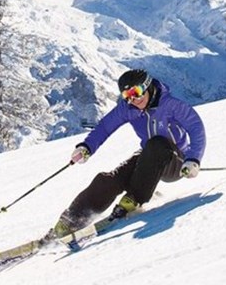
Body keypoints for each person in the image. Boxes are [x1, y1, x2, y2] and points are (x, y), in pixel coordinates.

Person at [47, 69, 206, 239]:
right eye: (127, 95)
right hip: (149, 158)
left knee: (157, 144)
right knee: (111, 178)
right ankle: (71, 220)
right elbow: (105, 127)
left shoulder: (171, 105)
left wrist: (193, 159)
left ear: (147, 87)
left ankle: (134, 199)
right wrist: (87, 147)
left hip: (176, 161)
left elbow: (196, 128)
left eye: (136, 93)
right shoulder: (128, 108)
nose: (133, 100)